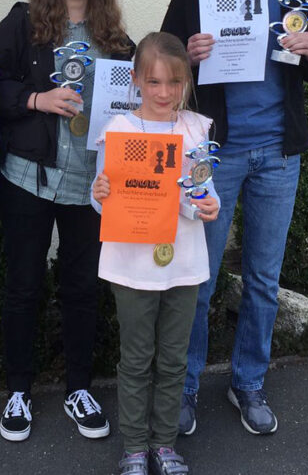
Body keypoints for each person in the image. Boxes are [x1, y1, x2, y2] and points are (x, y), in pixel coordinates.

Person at [161, 0, 308, 436]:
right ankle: (185, 385)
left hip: (279, 153)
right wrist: (187, 54)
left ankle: (248, 381)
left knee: (262, 279)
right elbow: (162, 62)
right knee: (198, 278)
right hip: (215, 153)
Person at [0, 0, 134, 443]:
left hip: (91, 183)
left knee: (82, 287)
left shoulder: (115, 36)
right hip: (30, 175)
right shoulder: (23, 24)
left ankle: (78, 389)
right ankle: (19, 391)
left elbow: (138, 100)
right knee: (24, 285)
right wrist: (35, 99)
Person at [91, 31, 220, 475]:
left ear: (186, 81)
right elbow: (102, 200)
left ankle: (164, 444)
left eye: (174, 82)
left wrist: (206, 205)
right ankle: (133, 447)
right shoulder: (119, 130)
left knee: (173, 359)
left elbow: (203, 192)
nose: (164, 93)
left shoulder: (196, 129)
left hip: (183, 263)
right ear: (136, 81)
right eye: (154, 82)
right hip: (131, 266)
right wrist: (99, 193)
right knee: (135, 358)